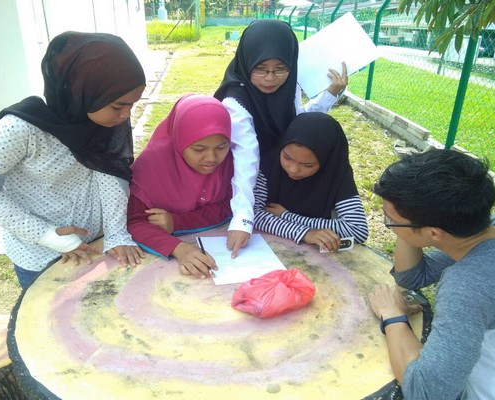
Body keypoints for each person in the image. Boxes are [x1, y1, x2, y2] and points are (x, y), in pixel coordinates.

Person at [0, 31, 147, 289]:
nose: (125, 115)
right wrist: (48, 235)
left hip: (96, 245)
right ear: (84, 91)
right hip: (41, 254)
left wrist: (116, 234)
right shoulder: (19, 129)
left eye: (132, 105)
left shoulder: (104, 122)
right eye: (118, 106)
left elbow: (111, 175)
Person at [368, 149, 495, 399]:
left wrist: (392, 314)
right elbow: (412, 277)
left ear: (434, 233)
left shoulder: (467, 286)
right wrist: (408, 221)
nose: (389, 225)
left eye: (390, 221)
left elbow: (426, 392)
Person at [214, 19, 348, 258]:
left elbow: (296, 125)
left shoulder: (289, 88)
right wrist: (243, 218)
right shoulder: (235, 101)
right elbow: (246, 159)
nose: (270, 78)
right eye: (261, 68)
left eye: (280, 69)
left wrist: (329, 95)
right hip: (246, 185)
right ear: (246, 61)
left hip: (281, 174)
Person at [128, 94, 233, 279]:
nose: (211, 158)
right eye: (199, 149)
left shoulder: (230, 161)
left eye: (221, 147)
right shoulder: (152, 166)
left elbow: (231, 204)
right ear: (179, 140)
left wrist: (177, 222)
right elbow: (133, 222)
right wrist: (179, 249)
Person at [253, 112, 368, 251]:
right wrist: (305, 233)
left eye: (308, 165)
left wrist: (287, 216)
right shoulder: (268, 165)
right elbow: (252, 213)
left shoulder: (336, 174)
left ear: (326, 161)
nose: (293, 169)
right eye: (287, 157)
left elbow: (358, 229)